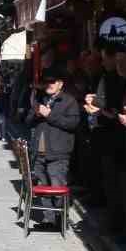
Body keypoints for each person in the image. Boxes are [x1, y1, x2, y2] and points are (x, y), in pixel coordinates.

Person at [26, 68, 80, 221]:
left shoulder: (69, 101)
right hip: (39, 150)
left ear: (60, 84)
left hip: (58, 151)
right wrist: (35, 114)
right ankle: (48, 218)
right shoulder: (41, 99)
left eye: (52, 82)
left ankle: (61, 218)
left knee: (57, 186)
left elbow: (72, 123)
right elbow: (27, 121)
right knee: (43, 186)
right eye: (46, 82)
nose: (48, 85)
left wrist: (49, 115)